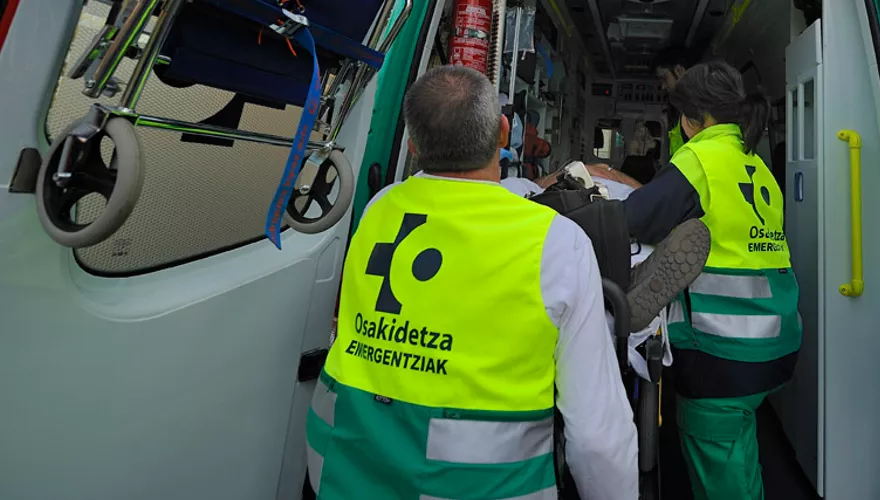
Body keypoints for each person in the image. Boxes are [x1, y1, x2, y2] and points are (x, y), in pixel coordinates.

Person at [304, 66, 638, 500]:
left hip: (342, 473)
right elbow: (597, 436)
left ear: (412, 144)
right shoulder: (556, 242)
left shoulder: (379, 210)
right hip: (480, 486)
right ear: (504, 133)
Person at [591, 60, 802, 500]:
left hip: (721, 351)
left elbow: (635, 218)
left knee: (724, 477)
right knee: (740, 452)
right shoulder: (754, 162)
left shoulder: (700, 158)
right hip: (777, 338)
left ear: (690, 120)